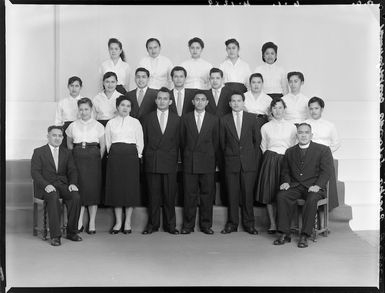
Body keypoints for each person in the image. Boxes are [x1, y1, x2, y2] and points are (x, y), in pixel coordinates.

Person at [273, 123, 333, 248]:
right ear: (297, 135)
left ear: (311, 135)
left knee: (312, 199)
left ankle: (305, 235)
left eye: (306, 132)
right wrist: (285, 182)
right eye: (300, 132)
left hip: (314, 187)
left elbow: (326, 171)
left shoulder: (323, 150)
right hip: (295, 186)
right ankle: (284, 233)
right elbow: (285, 171)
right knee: (281, 196)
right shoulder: (289, 151)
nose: (303, 135)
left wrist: (318, 185)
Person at [219, 92, 264, 234]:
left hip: (248, 163)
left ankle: (249, 224)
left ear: (243, 102)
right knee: (232, 194)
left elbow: (257, 141)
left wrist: (252, 160)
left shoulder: (252, 119)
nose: (236, 103)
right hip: (231, 162)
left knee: (247, 194)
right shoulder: (224, 120)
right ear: (230, 103)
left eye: (239, 100)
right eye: (233, 101)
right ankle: (232, 224)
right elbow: (221, 143)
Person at [31, 126, 82, 246]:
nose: (57, 138)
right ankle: (55, 235)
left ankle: (71, 232)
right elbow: (35, 173)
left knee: (75, 196)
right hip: (45, 187)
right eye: (54, 135)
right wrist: (46, 185)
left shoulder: (67, 152)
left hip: (62, 185)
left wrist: (73, 184)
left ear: (62, 138)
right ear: (48, 136)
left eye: (60, 136)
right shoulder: (39, 152)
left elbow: (72, 170)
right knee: (53, 196)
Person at [142, 87, 180, 235]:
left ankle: (171, 225)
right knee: (153, 195)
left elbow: (180, 142)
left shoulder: (177, 119)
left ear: (170, 101)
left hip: (170, 162)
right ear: (156, 100)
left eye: (165, 99)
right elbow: (143, 142)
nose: (162, 101)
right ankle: (152, 224)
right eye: (159, 98)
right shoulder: (146, 118)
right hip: (153, 161)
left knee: (170, 196)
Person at [180, 91, 219, 235]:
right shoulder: (185, 118)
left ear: (207, 102)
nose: (200, 102)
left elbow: (216, 142)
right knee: (189, 194)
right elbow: (182, 141)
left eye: (203, 100)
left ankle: (206, 225)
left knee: (207, 195)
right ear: (193, 102)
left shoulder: (214, 119)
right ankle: (188, 225)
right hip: (190, 160)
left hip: (207, 161)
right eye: (197, 99)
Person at [255, 99, 297, 234]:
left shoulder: (292, 127)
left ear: (284, 109)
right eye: (274, 108)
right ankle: (272, 224)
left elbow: (293, 145)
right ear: (271, 110)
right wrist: (271, 158)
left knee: (285, 192)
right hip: (270, 159)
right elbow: (263, 146)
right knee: (269, 191)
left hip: (286, 160)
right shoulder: (265, 127)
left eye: (280, 108)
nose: (277, 111)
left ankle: (286, 223)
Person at [104, 95, 144, 234]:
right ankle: (118, 222)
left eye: (128, 106)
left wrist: (137, 156)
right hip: (115, 157)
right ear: (117, 107)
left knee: (129, 189)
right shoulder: (110, 123)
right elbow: (108, 142)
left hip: (131, 157)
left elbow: (140, 142)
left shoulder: (136, 122)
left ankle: (127, 222)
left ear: (131, 108)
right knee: (117, 189)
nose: (125, 108)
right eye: (122, 105)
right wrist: (112, 154)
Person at [66, 98, 105, 234]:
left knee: (92, 190)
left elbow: (103, 146)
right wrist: (75, 155)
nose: (83, 112)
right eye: (81, 109)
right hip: (77, 158)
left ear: (91, 109)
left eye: (86, 109)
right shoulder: (72, 125)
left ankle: (92, 222)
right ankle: (79, 221)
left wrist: (95, 157)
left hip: (93, 160)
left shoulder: (99, 126)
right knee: (80, 189)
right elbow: (69, 143)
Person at [305, 96, 340, 211]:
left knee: (326, 187)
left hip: (325, 159)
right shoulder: (304, 124)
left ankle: (323, 220)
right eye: (311, 108)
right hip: (308, 159)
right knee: (311, 190)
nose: (313, 111)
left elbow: (336, 143)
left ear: (322, 109)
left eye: (316, 108)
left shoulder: (330, 125)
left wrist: (325, 154)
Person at [204, 67, 233, 205]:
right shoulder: (204, 95)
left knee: (226, 170)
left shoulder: (229, 93)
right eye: (212, 78)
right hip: (208, 137)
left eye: (217, 78)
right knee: (208, 171)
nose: (215, 81)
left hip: (226, 137)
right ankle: (209, 201)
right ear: (209, 80)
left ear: (222, 79)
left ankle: (225, 201)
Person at [54, 76, 84, 148]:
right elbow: (58, 121)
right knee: (65, 153)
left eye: (76, 86)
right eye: (72, 86)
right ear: (68, 87)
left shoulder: (85, 101)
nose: (74, 89)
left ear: (81, 87)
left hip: (81, 129)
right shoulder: (62, 102)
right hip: (65, 129)